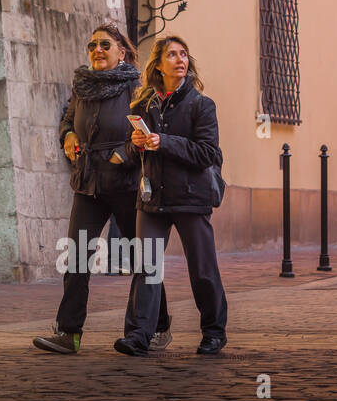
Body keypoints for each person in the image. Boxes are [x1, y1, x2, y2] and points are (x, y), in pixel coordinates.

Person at [34, 23, 171, 355]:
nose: (97, 50)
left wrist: (123, 153)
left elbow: (147, 129)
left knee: (142, 257)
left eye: (105, 45)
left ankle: (157, 327)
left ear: (121, 53)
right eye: (92, 44)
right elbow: (68, 120)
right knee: (78, 258)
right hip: (88, 184)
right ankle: (68, 333)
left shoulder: (135, 87)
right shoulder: (82, 86)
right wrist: (68, 137)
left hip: (125, 183)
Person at [114, 34, 229, 357]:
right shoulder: (141, 105)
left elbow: (207, 153)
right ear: (159, 65)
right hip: (152, 198)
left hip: (191, 198)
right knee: (147, 267)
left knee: (202, 268)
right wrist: (135, 145)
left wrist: (164, 141)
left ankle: (213, 332)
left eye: (184, 55)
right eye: (172, 55)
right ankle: (139, 335)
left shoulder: (201, 106)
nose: (180, 60)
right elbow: (130, 153)